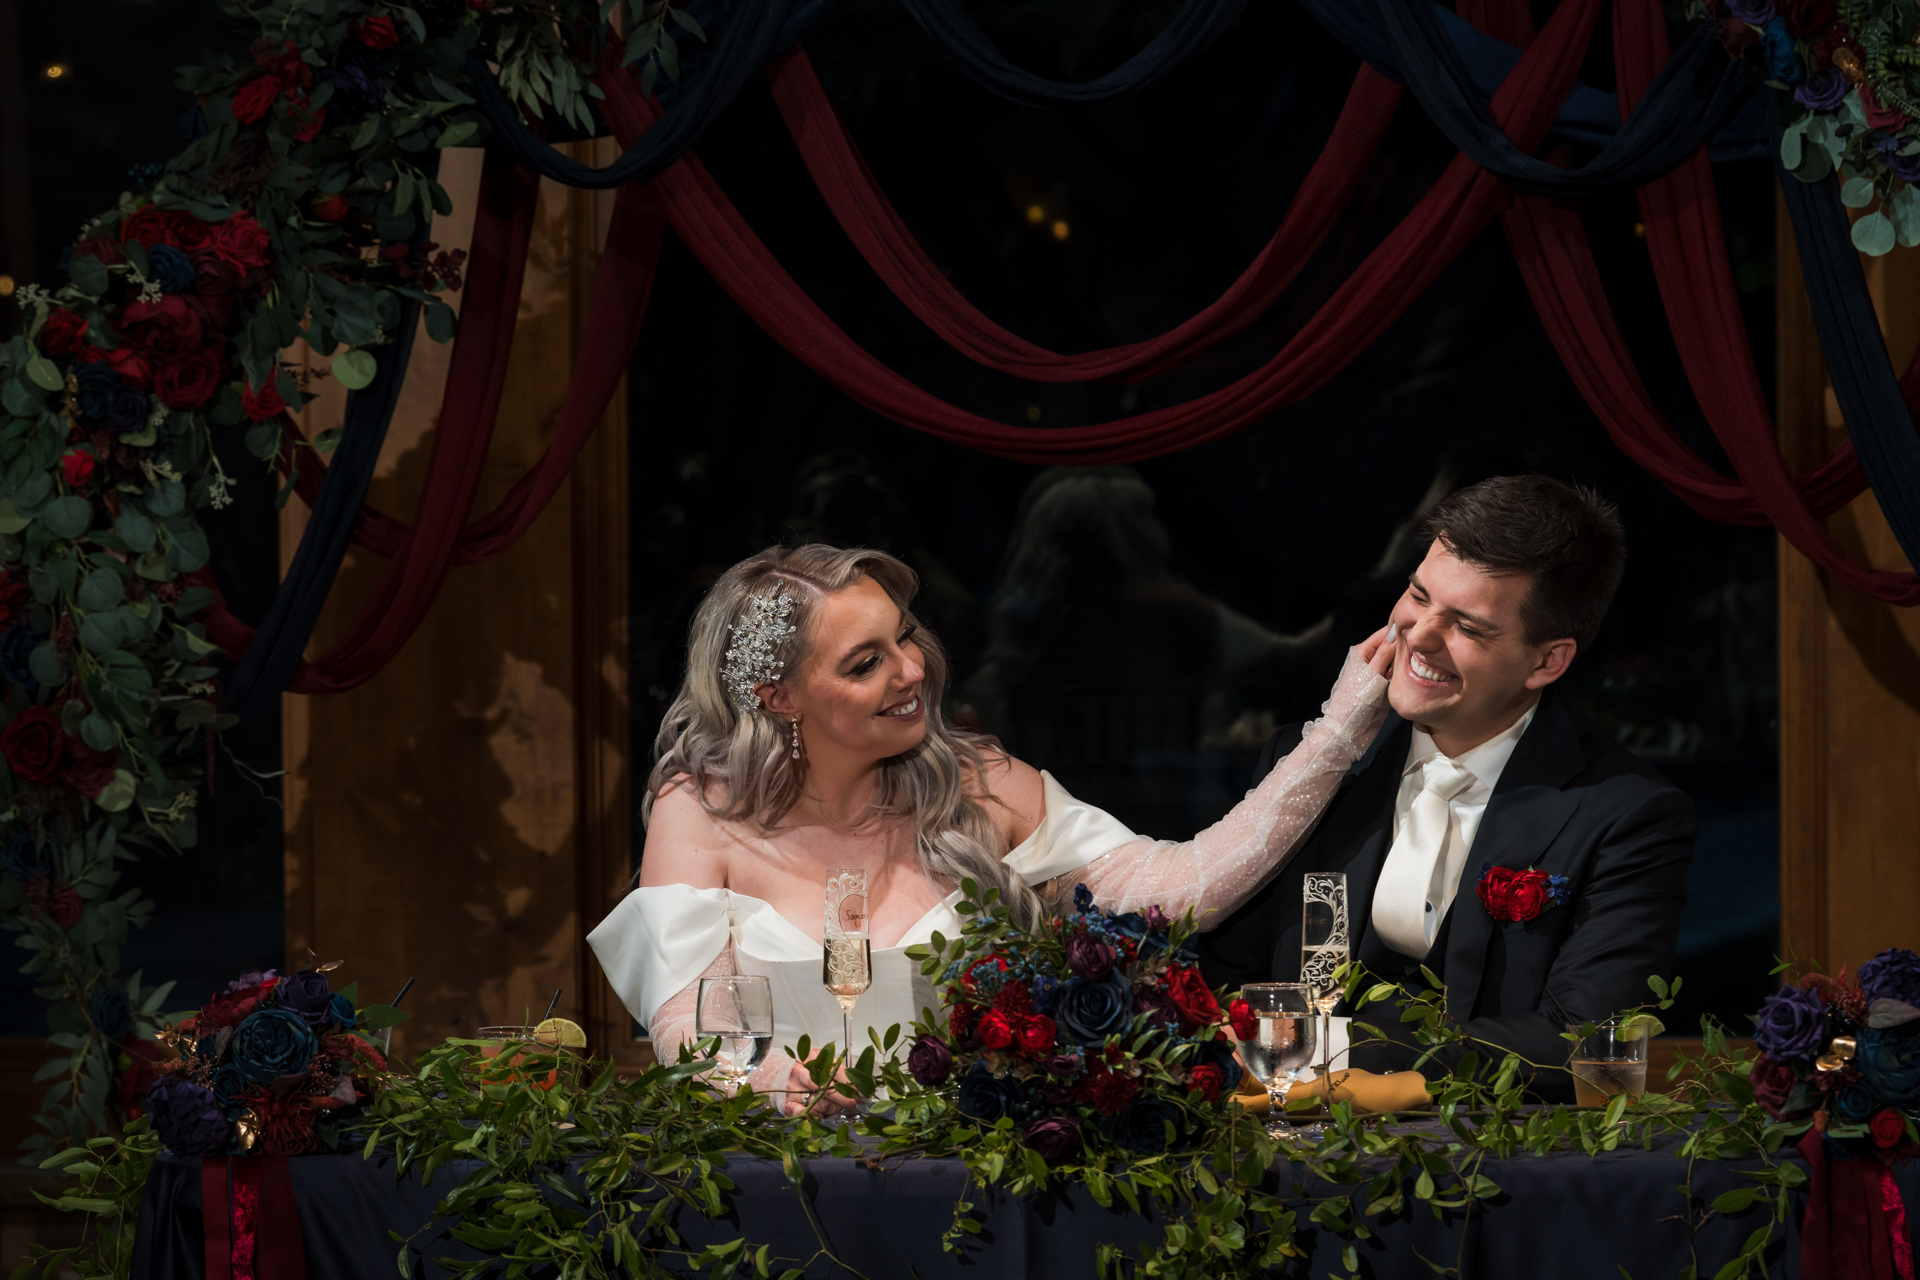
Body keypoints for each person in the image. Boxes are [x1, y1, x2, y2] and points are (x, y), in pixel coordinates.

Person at [589, 543, 1393, 1115]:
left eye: (904, 634)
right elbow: (689, 1025)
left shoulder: (979, 782)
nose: (912, 670)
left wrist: (1338, 731)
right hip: (783, 1188)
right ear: (778, 698)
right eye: (864, 662)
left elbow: (1184, 891)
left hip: (972, 1184)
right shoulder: (699, 809)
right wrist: (766, 1083)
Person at [1196, 476, 1696, 1102]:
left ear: (1547, 661)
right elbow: (1222, 983)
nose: (1419, 634)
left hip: (1496, 1173)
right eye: (1418, 594)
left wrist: (1336, 1057)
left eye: (1467, 625)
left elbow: (1585, 1042)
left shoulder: (1628, 813)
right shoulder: (1309, 764)